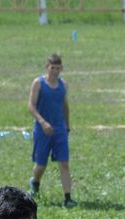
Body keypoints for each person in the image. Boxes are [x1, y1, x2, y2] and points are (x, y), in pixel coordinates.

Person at [27, 54, 74, 209]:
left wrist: (66, 127)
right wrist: (42, 122)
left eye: (58, 68)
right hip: (42, 130)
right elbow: (31, 106)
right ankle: (35, 183)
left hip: (59, 129)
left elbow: (65, 106)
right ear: (47, 67)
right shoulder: (39, 83)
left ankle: (68, 198)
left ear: (61, 69)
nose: (55, 71)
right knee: (41, 165)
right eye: (52, 68)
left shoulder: (63, 85)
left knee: (64, 163)